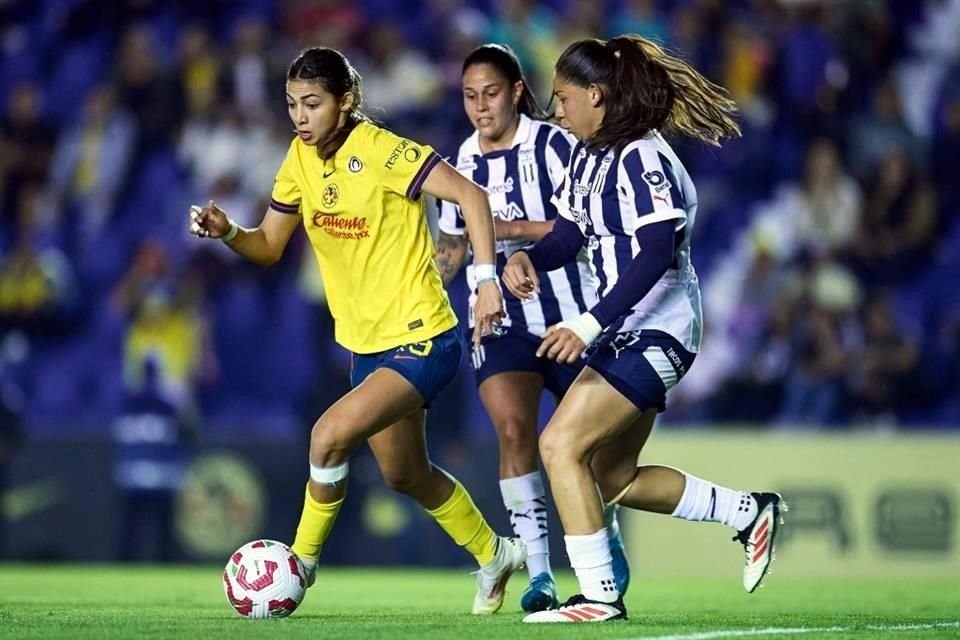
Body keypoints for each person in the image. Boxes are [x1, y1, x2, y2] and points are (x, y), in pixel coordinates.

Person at [189, 47, 525, 615]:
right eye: (292, 104)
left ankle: (296, 567)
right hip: (366, 347)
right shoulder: (299, 157)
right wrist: (229, 232)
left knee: (327, 435)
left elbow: (473, 195)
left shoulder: (383, 150)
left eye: (313, 104)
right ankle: (496, 555)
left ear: (345, 103)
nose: (300, 116)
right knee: (405, 473)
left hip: (422, 335)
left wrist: (486, 279)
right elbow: (268, 246)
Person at [502, 36, 785, 623]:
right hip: (626, 332)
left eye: (563, 98)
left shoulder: (643, 157)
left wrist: (587, 321)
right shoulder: (589, 154)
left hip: (658, 330)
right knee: (611, 476)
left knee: (558, 445)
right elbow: (574, 233)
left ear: (597, 95)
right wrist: (531, 255)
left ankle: (600, 597)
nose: (556, 111)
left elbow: (656, 249)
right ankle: (748, 512)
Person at [435, 43, 629, 612]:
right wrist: (436, 279)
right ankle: (539, 571)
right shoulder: (459, 164)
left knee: (591, 453)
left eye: (490, 93)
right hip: (502, 324)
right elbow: (451, 247)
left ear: (517, 90)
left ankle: (604, 530)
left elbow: (586, 221)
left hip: (573, 316)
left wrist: (507, 231)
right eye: (469, 96)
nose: (480, 107)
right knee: (515, 432)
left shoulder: (557, 143)